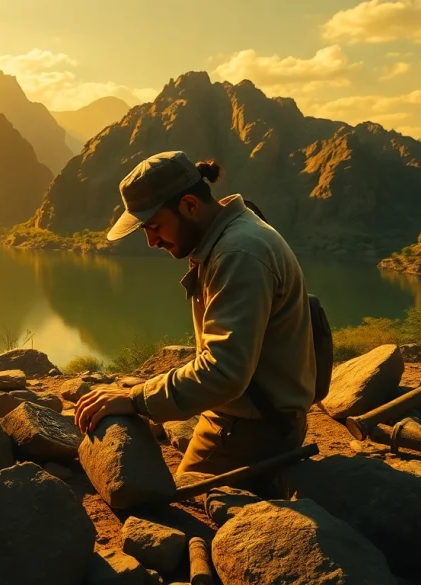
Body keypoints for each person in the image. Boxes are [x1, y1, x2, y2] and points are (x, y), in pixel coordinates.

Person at [73, 151, 316, 477]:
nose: (151, 241)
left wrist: (136, 399)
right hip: (246, 412)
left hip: (253, 428)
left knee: (169, 499)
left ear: (189, 205)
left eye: (154, 226)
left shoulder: (238, 253)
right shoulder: (229, 234)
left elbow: (224, 372)